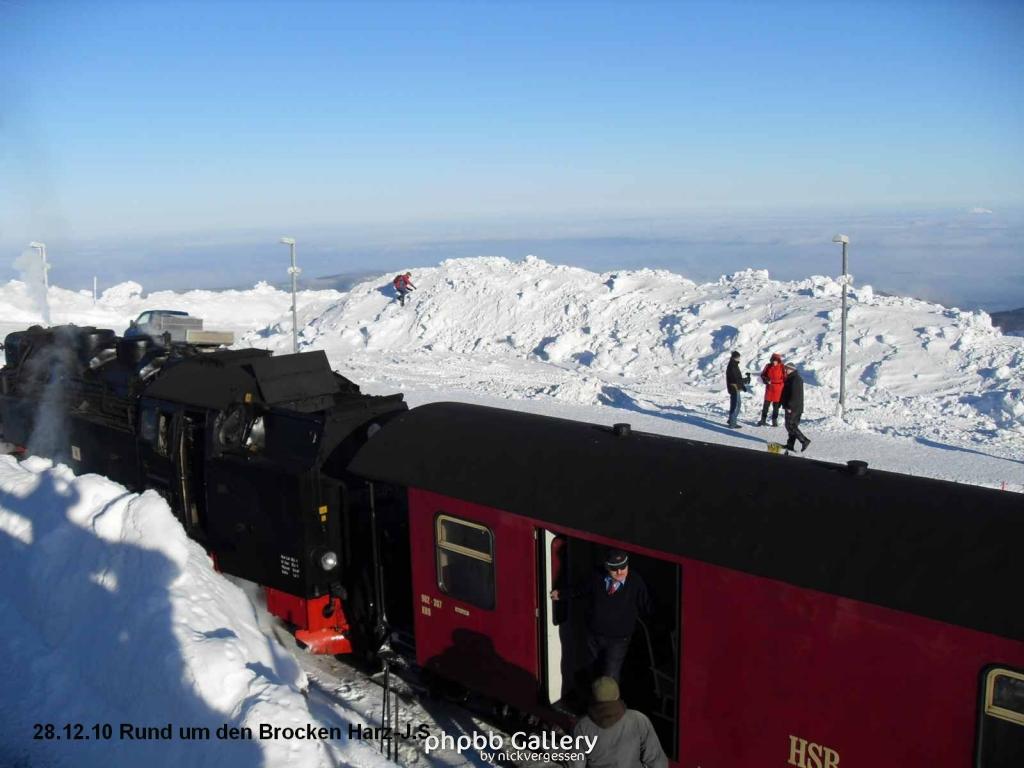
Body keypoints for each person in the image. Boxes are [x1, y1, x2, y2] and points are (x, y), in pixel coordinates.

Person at [550, 550, 651, 682]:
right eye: (615, 569)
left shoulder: (636, 582)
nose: (620, 572)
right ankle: (594, 699)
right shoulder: (596, 576)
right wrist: (561, 594)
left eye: (623, 567)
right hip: (594, 636)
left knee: (611, 677)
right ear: (606, 567)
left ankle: (609, 702)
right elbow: (580, 589)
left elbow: (647, 606)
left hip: (619, 640)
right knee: (593, 670)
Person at [568, 676, 668, 768]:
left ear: (593, 697)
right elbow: (657, 761)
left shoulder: (582, 726)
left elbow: (576, 764)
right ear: (617, 695)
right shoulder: (638, 719)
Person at [780, 363, 811, 452]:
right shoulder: (792, 378)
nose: (786, 370)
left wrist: (790, 405)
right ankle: (790, 445)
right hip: (795, 407)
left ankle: (804, 440)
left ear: (792, 369)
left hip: (793, 407)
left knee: (790, 426)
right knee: (792, 426)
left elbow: (795, 394)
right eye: (786, 369)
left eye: (787, 369)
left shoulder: (795, 379)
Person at [758, 353, 785, 426]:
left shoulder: (782, 367)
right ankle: (763, 420)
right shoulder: (768, 366)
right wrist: (765, 379)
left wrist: (781, 384)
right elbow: (762, 375)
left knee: (776, 407)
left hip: (778, 390)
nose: (774, 362)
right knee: (765, 406)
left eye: (776, 361)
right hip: (769, 389)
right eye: (773, 360)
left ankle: (774, 421)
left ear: (778, 361)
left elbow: (785, 378)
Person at [725, 351, 749, 428]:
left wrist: (742, 385)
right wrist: (745, 381)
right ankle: (732, 423)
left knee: (736, 405)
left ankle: (732, 420)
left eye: (739, 357)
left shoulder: (734, 365)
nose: (739, 358)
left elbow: (737, 378)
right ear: (734, 357)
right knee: (736, 406)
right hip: (734, 388)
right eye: (738, 357)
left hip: (736, 387)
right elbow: (735, 379)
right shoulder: (732, 366)